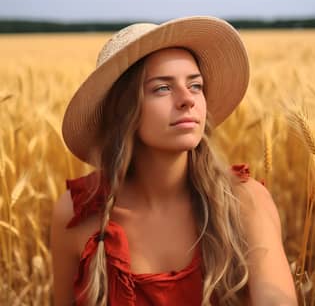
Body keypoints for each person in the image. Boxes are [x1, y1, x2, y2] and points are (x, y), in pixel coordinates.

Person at [51, 16, 298, 306]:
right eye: (162, 88)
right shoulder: (76, 214)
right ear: (123, 110)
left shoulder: (245, 201)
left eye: (195, 86)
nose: (187, 100)